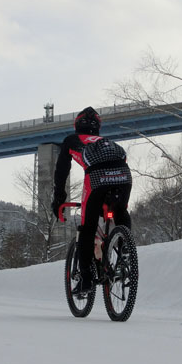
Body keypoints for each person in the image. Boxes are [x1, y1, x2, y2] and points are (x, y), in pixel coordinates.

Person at [52, 106, 132, 294]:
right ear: (98, 128)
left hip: (97, 179)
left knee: (88, 226)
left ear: (77, 126)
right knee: (120, 210)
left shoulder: (72, 140)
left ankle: (86, 278)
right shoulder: (109, 143)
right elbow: (119, 162)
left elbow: (61, 172)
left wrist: (58, 200)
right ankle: (125, 253)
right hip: (124, 177)